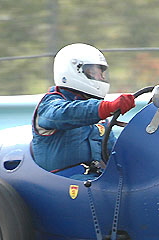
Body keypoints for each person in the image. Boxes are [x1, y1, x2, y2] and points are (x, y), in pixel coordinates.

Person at [31, 43, 135, 173]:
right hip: (63, 182)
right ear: (75, 70)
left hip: (94, 181)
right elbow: (66, 113)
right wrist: (108, 107)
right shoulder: (50, 104)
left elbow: (115, 154)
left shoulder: (99, 117)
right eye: (94, 72)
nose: (101, 78)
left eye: (101, 73)